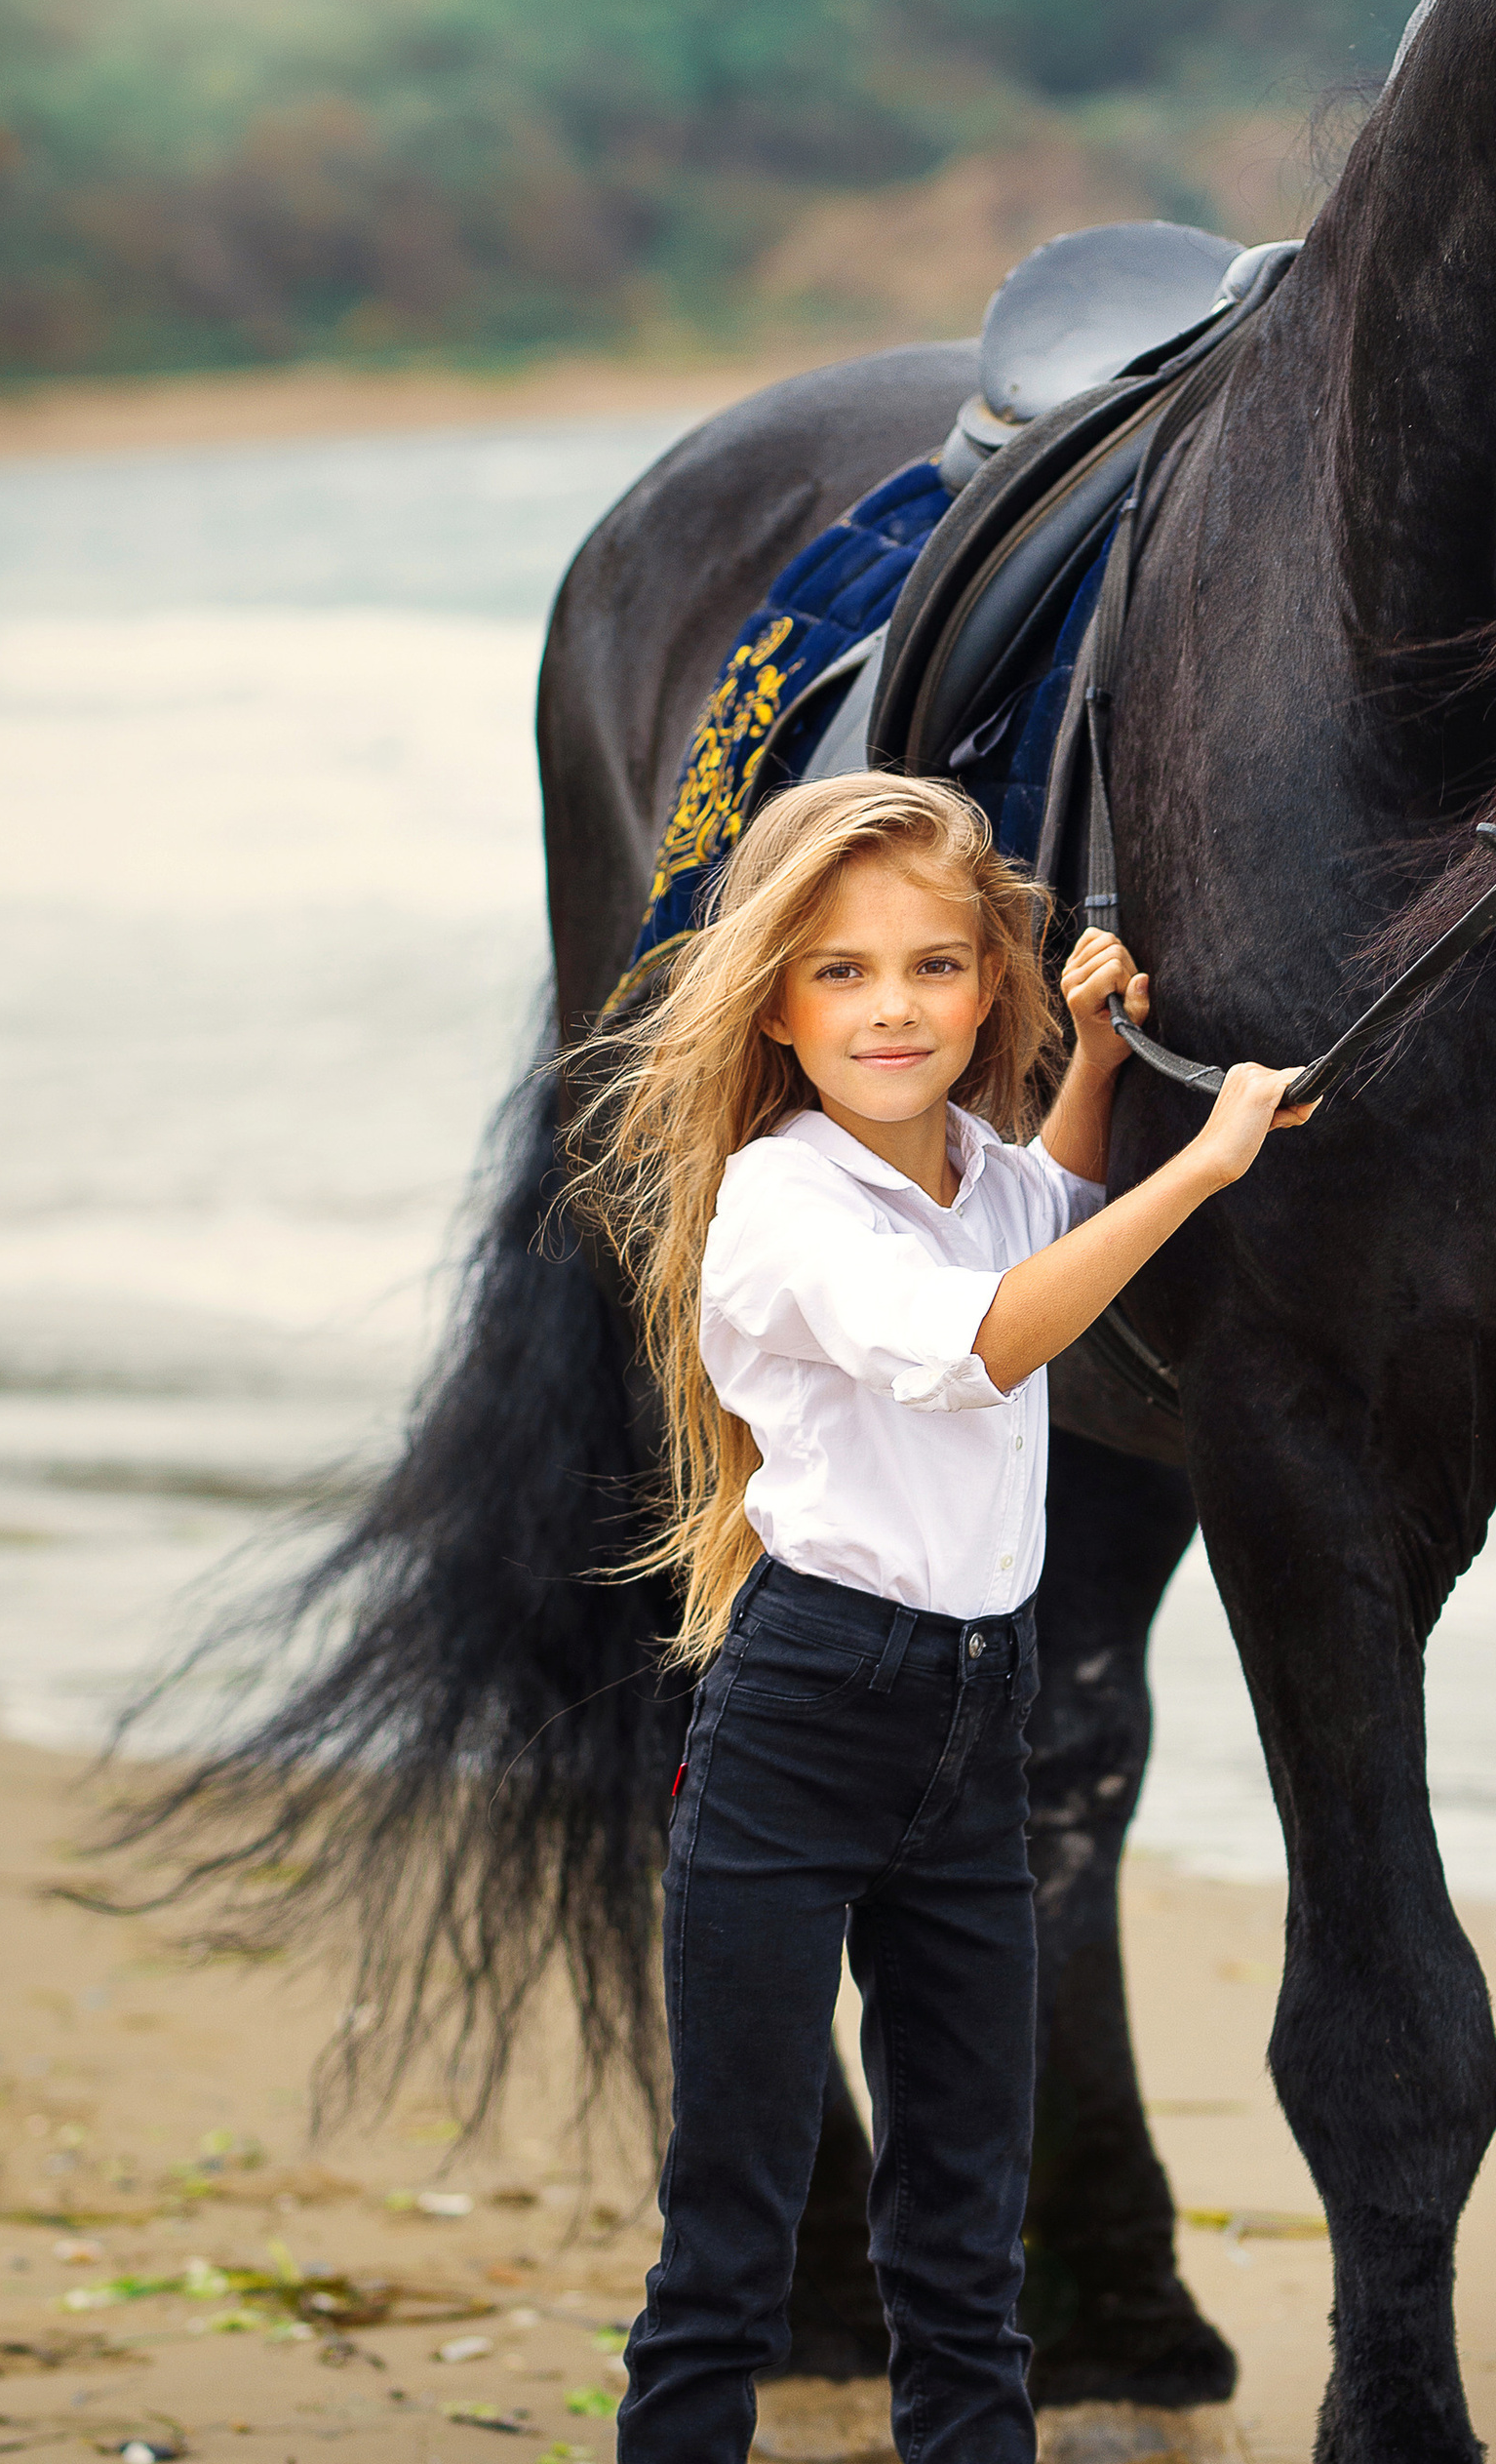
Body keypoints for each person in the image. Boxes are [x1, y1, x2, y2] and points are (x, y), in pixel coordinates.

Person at [569, 770, 1309, 2464]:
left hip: (983, 1728)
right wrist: (1203, 1165)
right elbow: (984, 1340)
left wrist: (1105, 1066)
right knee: (732, 2246)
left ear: (993, 986)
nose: (891, 1008)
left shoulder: (977, 1166)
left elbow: (1039, 1211)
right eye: (840, 971)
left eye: (933, 966)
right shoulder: (777, 1203)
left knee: (970, 2258)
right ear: (772, 996)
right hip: (805, 1721)